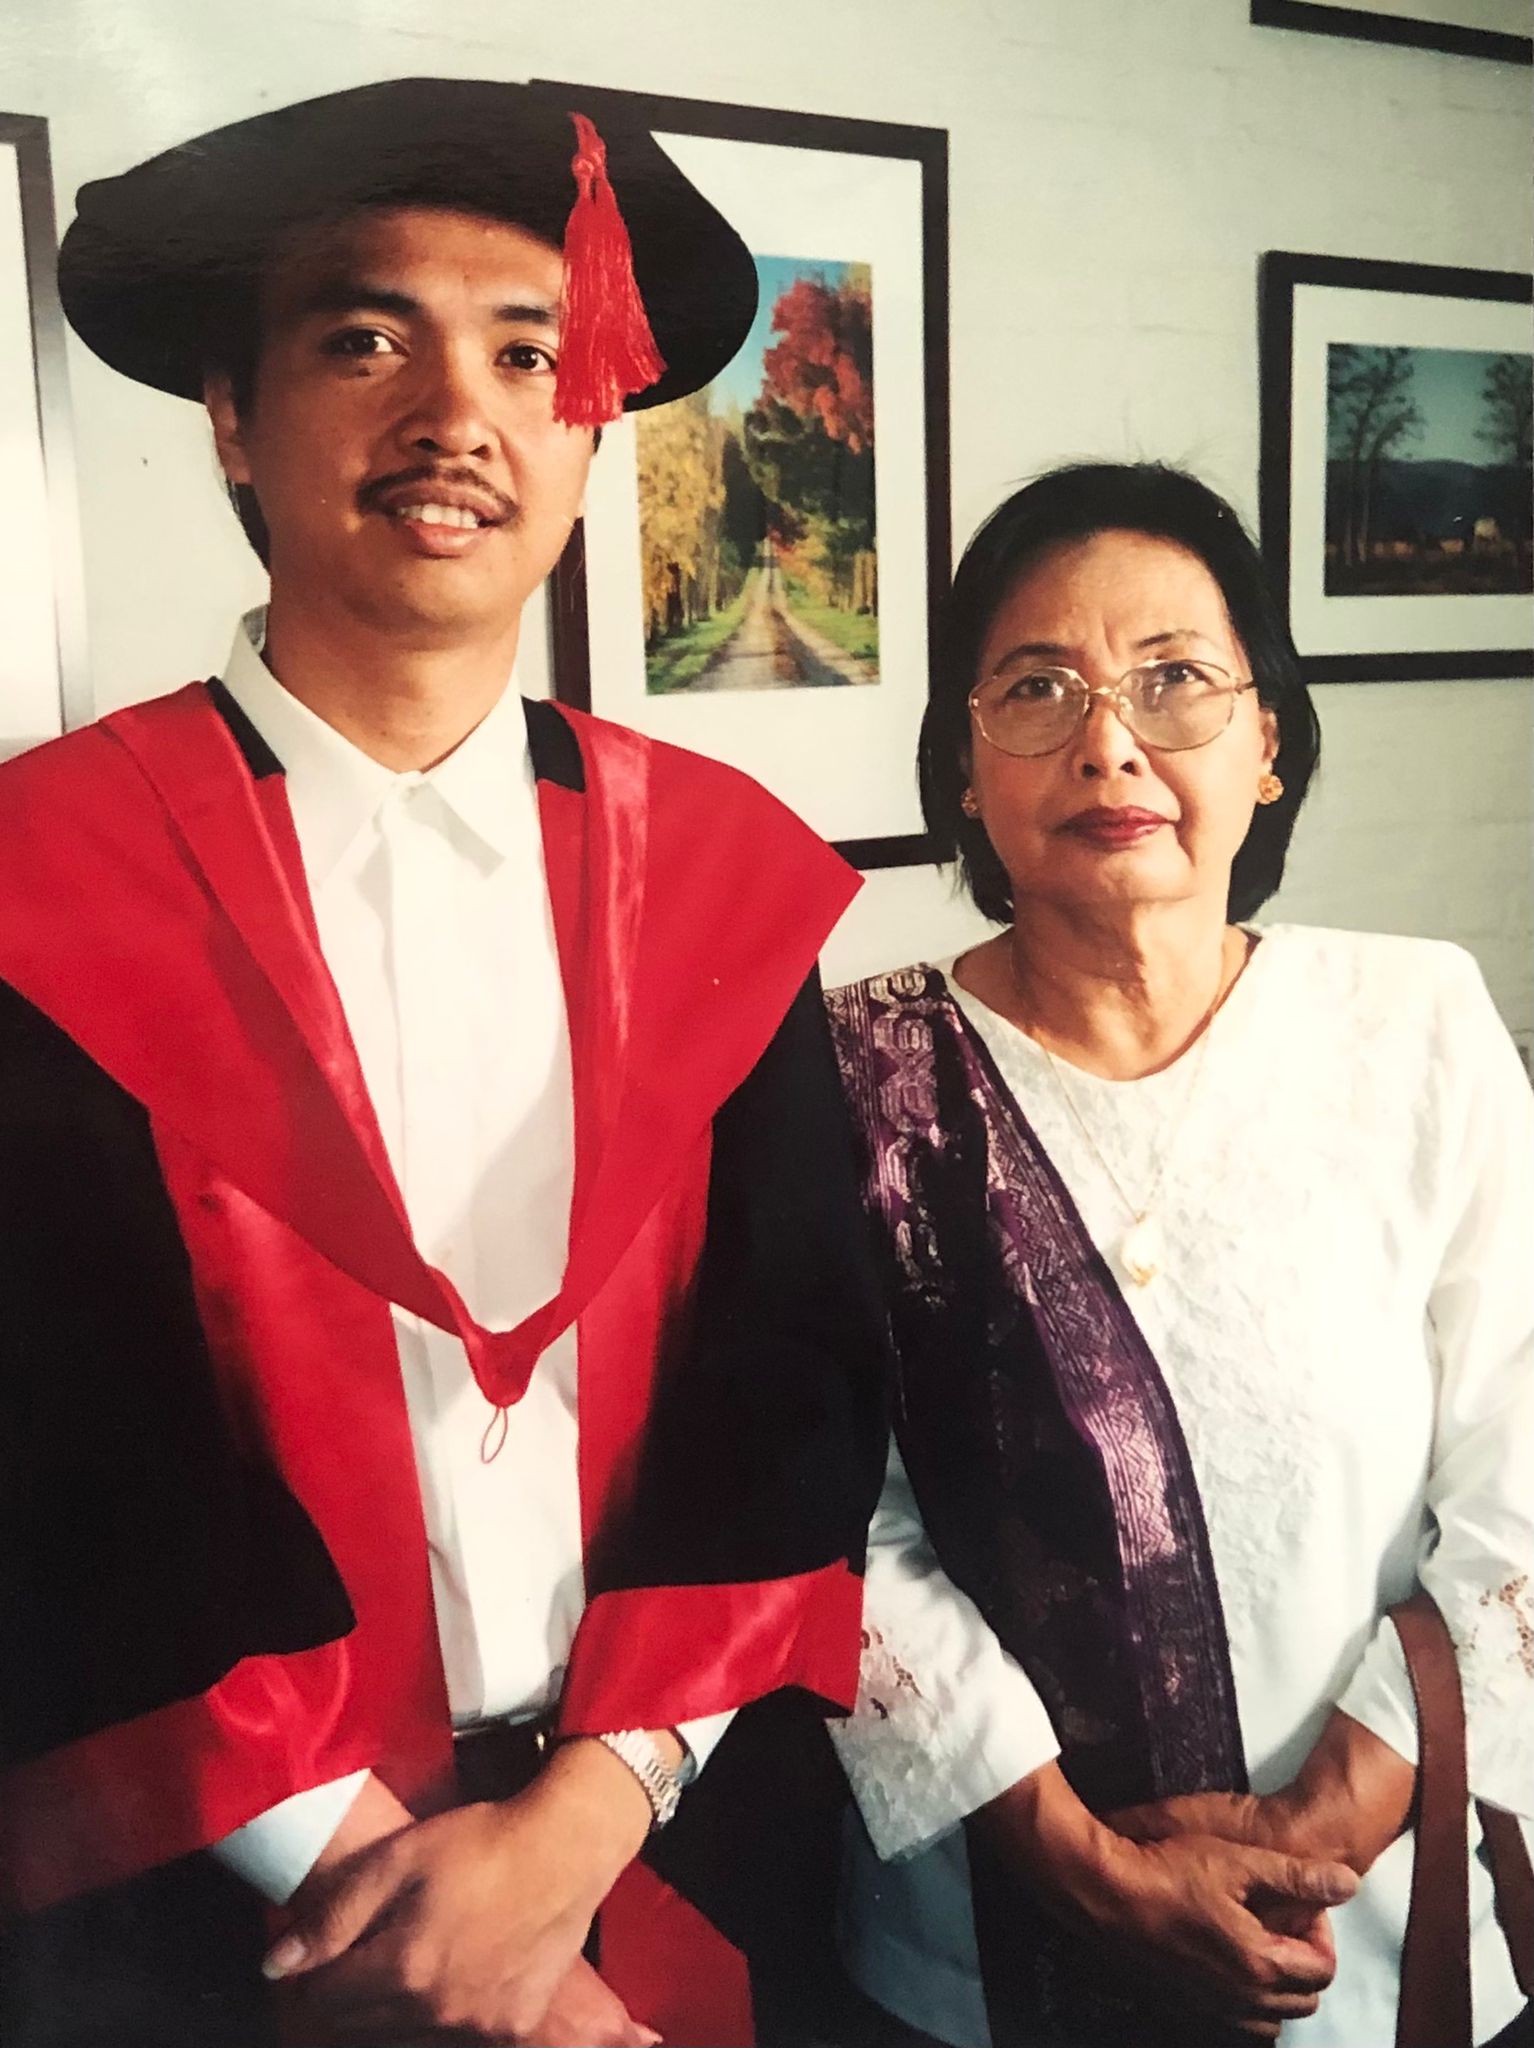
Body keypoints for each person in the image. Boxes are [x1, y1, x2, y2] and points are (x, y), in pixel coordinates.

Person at [0, 78, 886, 2048]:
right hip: (210, 1909)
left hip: (673, 1841)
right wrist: (434, 1926)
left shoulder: (717, 878)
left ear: (591, 428)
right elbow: (57, 1465)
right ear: (230, 414)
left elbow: (794, 1376)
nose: (456, 413)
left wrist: (579, 1826)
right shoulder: (38, 889)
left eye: (525, 349)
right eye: (362, 335)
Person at [823, 463, 1534, 2048]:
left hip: (1375, 1921)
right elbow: (835, 1522)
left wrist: (1325, 1827)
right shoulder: (845, 1075)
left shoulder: (1414, 1027)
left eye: (1174, 679)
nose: (1107, 740)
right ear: (962, 767)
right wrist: (1075, 1864)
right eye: (1035, 687)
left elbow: (1521, 1461)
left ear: (1268, 741)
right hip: (988, 1942)